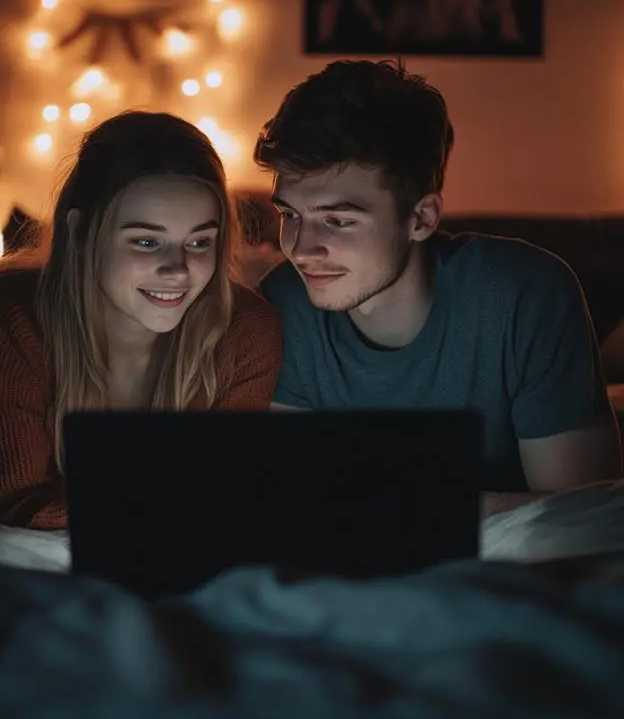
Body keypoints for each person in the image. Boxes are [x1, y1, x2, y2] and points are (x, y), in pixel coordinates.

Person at [255, 59, 622, 517]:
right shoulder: (282, 305)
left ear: (422, 218)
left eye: (338, 221)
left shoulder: (526, 294)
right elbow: (287, 505)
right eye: (290, 215)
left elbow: (582, 521)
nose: (301, 249)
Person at [0, 111, 283, 529]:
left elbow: (223, 494)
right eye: (146, 241)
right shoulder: (14, 316)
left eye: (199, 241)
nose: (178, 270)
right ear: (83, 234)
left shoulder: (246, 330)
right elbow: (14, 501)